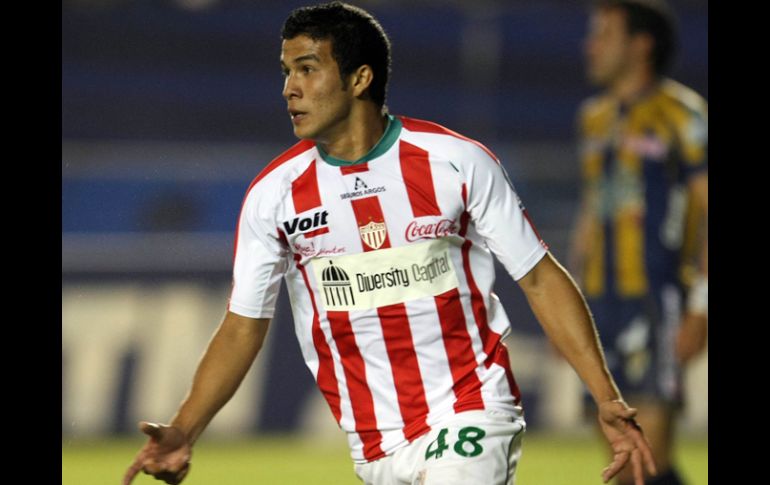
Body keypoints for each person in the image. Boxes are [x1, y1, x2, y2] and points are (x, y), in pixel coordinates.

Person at [123, 2, 656, 485]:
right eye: (286, 72)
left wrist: (605, 395)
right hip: (373, 443)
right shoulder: (274, 195)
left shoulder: (456, 162)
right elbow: (243, 325)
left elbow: (538, 277)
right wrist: (185, 429)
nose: (289, 88)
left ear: (360, 78)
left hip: (470, 408)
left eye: (307, 69)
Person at [569, 1, 708, 484]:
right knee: (624, 463)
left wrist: (700, 308)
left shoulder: (684, 115)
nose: (590, 46)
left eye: (604, 34)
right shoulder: (593, 117)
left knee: (649, 457)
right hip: (598, 303)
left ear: (640, 45)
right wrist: (571, 301)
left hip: (655, 299)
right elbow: (592, 210)